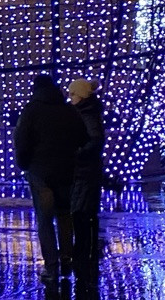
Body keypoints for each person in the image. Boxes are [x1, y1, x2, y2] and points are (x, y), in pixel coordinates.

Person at [13, 75, 83, 284]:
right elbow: (82, 136)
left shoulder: (31, 110)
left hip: (40, 171)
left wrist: (25, 164)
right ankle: (66, 259)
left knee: (45, 220)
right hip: (66, 171)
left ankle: (51, 267)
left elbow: (21, 139)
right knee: (64, 216)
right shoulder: (68, 110)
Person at [67, 79, 105, 275]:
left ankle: (83, 253)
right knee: (86, 213)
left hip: (85, 170)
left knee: (81, 213)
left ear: (80, 95)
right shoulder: (88, 110)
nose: (70, 98)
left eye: (73, 94)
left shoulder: (86, 112)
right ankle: (87, 252)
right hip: (88, 170)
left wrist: (79, 153)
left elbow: (96, 138)